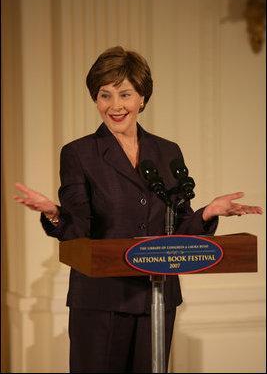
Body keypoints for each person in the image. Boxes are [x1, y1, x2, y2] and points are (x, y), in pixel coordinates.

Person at [13, 46, 262, 373]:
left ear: (142, 97)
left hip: (156, 299)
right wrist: (54, 213)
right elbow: (80, 231)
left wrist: (208, 213)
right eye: (105, 95)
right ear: (96, 99)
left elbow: (179, 229)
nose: (115, 106)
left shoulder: (167, 151)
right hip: (101, 302)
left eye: (125, 94)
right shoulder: (79, 154)